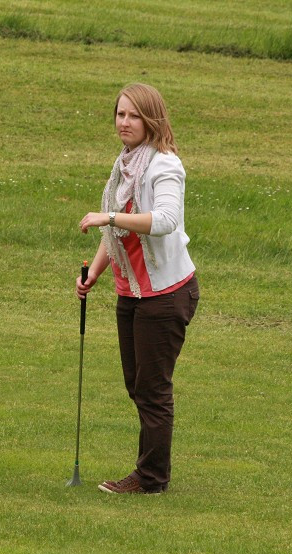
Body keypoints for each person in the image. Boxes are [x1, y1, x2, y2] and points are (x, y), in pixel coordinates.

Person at [76, 83, 200, 494]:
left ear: (152, 120)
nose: (124, 122)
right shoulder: (126, 164)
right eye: (120, 114)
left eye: (133, 116)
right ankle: (150, 474)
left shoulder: (165, 165)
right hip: (131, 293)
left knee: (152, 389)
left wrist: (108, 216)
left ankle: (151, 479)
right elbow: (117, 236)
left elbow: (164, 220)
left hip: (165, 295)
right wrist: (94, 273)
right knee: (138, 385)